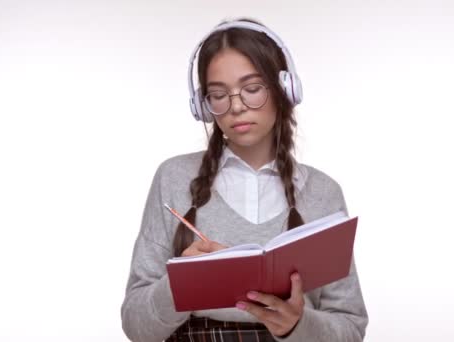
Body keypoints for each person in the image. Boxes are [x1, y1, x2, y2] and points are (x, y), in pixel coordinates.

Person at [120, 18, 368, 342]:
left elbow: (350, 329)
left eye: (252, 89)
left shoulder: (323, 193)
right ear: (203, 106)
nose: (236, 106)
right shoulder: (174, 179)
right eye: (218, 95)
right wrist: (180, 286)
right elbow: (136, 326)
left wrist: (296, 324)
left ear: (284, 89)